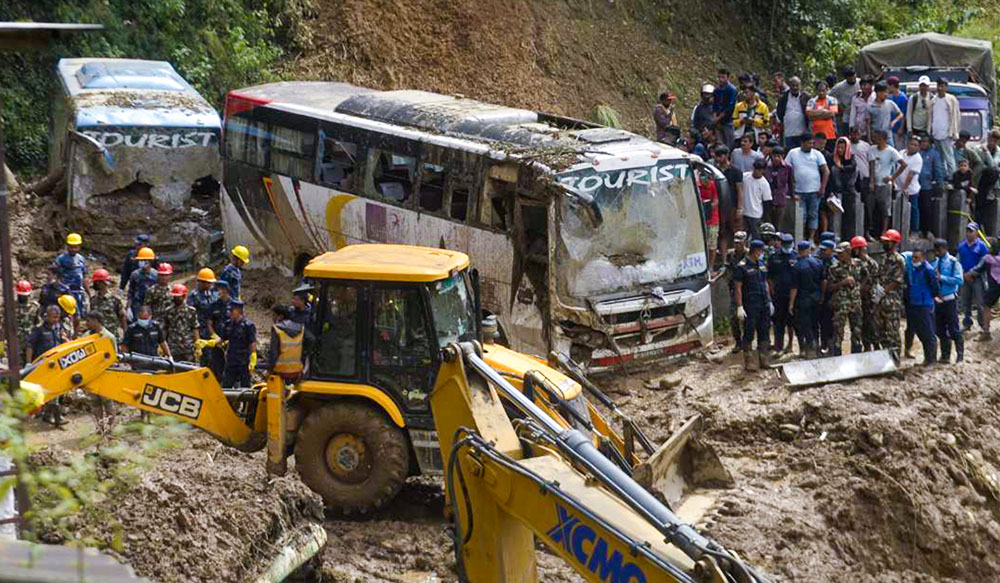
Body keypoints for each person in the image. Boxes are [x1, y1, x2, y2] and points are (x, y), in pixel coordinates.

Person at [734, 239, 772, 370]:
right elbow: (738, 287)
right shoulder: (742, 266)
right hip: (750, 304)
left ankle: (764, 358)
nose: (762, 253)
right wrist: (739, 306)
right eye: (761, 251)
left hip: (764, 303)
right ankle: (749, 360)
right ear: (756, 251)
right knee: (749, 331)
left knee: (764, 331)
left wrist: (770, 300)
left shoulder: (761, 263)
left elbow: (765, 282)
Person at [27, 305, 68, 426]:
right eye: (54, 317)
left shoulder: (58, 327)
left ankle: (48, 415)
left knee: (56, 390)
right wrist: (29, 363)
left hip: (57, 364)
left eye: (58, 317)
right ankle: (57, 417)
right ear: (47, 316)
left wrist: (65, 339)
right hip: (43, 365)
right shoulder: (39, 329)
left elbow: (61, 342)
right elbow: (30, 346)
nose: (56, 320)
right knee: (50, 390)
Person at [786, 133, 830, 242]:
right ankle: (801, 238)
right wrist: (790, 189)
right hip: (799, 191)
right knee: (802, 215)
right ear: (802, 143)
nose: (811, 145)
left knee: (813, 214)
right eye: (809, 143)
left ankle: (811, 238)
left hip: (815, 191)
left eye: (812, 143)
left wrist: (822, 188)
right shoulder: (793, 153)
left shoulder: (817, 154)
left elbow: (826, 171)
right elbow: (787, 169)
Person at [903, 248, 940, 365]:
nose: (914, 259)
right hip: (914, 304)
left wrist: (929, 297)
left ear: (923, 258)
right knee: (920, 333)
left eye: (917, 257)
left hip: (924, 305)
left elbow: (935, 287)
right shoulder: (913, 269)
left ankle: (931, 360)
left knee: (928, 333)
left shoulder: (928, 270)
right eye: (913, 257)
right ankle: (927, 359)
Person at [788, 240, 825, 359]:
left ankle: (811, 349)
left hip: (803, 299)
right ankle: (818, 347)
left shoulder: (797, 266)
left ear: (799, 251)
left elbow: (794, 287)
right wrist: (822, 295)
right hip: (816, 297)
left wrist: (791, 304)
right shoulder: (818, 263)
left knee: (806, 324)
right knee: (815, 324)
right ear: (808, 250)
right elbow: (823, 281)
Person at [84, 311, 118, 433]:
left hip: (105, 374)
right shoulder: (86, 336)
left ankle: (109, 429)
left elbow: (114, 357)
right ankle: (100, 428)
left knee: (108, 403)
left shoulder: (109, 337)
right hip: (91, 375)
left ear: (96, 321)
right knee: (95, 404)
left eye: (89, 320)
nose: (87, 323)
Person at [931, 239, 964, 363]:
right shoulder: (935, 262)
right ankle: (945, 355)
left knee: (954, 328)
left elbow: (959, 280)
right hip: (938, 300)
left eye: (938, 250)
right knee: (939, 328)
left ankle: (960, 355)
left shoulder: (953, 262)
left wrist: (942, 278)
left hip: (949, 299)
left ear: (945, 249)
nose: (937, 252)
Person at [828, 241, 863, 355]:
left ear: (848, 252)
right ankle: (837, 356)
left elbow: (866, 276)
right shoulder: (834, 268)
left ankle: (856, 355)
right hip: (841, 303)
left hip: (855, 303)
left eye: (841, 253)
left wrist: (859, 288)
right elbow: (829, 287)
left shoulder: (858, 264)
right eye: (837, 254)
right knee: (838, 332)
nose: (839, 256)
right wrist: (843, 282)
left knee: (857, 331)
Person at [874, 229, 906, 353]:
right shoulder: (882, 258)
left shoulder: (899, 260)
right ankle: (885, 358)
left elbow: (897, 280)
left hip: (892, 301)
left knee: (892, 332)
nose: (884, 244)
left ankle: (895, 360)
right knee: (880, 331)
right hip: (880, 300)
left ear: (894, 243)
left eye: (887, 242)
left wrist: (882, 292)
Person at [869, 130, 904, 238]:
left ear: (883, 139)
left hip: (885, 184)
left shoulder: (891, 151)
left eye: (877, 137)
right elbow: (871, 165)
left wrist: (892, 177)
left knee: (885, 209)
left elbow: (903, 164)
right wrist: (872, 181)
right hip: (875, 183)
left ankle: (884, 231)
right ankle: (871, 230)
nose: (875, 139)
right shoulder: (872, 149)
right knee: (870, 207)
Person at [267, 305, 313, 380]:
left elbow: (273, 352)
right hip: (297, 370)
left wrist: (269, 370)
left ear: (280, 316)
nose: (273, 318)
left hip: (280, 370)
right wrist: (303, 355)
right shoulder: (301, 328)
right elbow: (311, 340)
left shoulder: (277, 329)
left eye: (274, 315)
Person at [768, 233, 796, 354]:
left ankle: (790, 344)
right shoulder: (774, 257)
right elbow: (769, 277)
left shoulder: (796, 256)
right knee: (778, 322)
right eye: (785, 244)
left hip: (792, 296)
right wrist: (771, 290)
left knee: (791, 323)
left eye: (788, 244)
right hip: (778, 295)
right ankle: (778, 345)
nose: (786, 246)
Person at [712, 145, 743, 261]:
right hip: (719, 206)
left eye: (720, 155)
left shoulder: (735, 171)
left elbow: (739, 190)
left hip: (732, 206)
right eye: (717, 156)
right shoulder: (715, 171)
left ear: (726, 156)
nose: (718, 158)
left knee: (735, 232)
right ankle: (724, 260)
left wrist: (739, 208)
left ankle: (738, 257)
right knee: (722, 233)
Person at [219, 300, 257, 388]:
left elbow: (252, 342)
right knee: (226, 385)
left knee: (245, 386)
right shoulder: (228, 324)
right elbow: (222, 339)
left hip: (243, 361)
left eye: (232, 311)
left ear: (239, 311)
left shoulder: (248, 325)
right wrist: (208, 343)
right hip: (231, 360)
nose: (230, 313)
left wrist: (253, 357)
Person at [958, 223, 989, 331]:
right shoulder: (962, 246)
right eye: (967, 231)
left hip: (977, 278)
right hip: (965, 277)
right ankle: (967, 323)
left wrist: (972, 273)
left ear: (976, 233)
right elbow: (958, 261)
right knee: (965, 302)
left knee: (980, 303)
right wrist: (962, 273)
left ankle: (982, 325)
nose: (969, 233)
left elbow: (984, 262)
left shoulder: (982, 246)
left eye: (971, 231)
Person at [851, 236, 880, 351]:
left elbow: (871, 283)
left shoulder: (871, 264)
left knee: (872, 324)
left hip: (869, 299)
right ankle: (866, 346)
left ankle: (876, 346)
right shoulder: (856, 262)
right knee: (861, 325)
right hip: (860, 299)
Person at [892, 136, 923, 238]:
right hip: (898, 186)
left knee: (913, 209)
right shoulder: (901, 153)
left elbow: (910, 176)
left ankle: (914, 230)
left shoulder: (918, 159)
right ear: (907, 144)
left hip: (911, 189)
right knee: (897, 208)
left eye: (916, 145)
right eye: (912, 144)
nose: (913, 147)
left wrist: (904, 189)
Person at [929, 78, 961, 175]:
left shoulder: (951, 99)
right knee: (940, 157)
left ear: (946, 87)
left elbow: (956, 116)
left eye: (942, 86)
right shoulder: (933, 100)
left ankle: (952, 178)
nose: (939, 88)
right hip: (935, 132)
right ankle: (943, 177)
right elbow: (930, 117)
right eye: (938, 86)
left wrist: (955, 132)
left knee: (949, 157)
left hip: (947, 133)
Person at [916, 133, 946, 238]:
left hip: (927, 186)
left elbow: (938, 169)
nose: (923, 143)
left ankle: (927, 230)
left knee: (927, 208)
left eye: (925, 141)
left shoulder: (934, 154)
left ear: (929, 143)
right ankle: (918, 229)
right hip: (915, 185)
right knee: (917, 208)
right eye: (922, 141)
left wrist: (940, 183)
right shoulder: (917, 152)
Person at [89, 268, 127, 341]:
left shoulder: (115, 299)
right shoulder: (93, 300)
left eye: (97, 282)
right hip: (97, 336)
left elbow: (122, 317)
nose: (95, 285)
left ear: (103, 283)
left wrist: (125, 334)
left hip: (111, 336)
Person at [726, 231, 748, 352]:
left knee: (747, 318)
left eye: (739, 243)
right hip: (734, 289)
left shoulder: (749, 254)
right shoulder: (731, 254)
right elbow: (726, 268)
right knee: (733, 317)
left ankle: (746, 341)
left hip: (747, 289)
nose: (737, 245)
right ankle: (738, 342)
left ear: (744, 242)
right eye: (735, 243)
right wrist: (715, 279)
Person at [207, 280, 234, 381]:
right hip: (217, 342)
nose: (217, 292)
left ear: (225, 290)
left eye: (218, 290)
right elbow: (209, 323)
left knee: (231, 367)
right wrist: (214, 336)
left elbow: (239, 323)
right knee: (216, 365)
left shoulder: (234, 305)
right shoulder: (214, 305)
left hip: (231, 342)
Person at [54, 233, 88, 312]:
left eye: (75, 247)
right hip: (66, 291)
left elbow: (84, 276)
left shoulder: (81, 259)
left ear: (79, 246)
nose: (73, 249)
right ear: (67, 246)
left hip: (78, 291)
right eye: (71, 247)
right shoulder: (61, 259)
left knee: (79, 313)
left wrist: (87, 291)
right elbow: (54, 275)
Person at [164, 283, 198, 362]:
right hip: (173, 347)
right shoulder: (168, 311)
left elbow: (195, 328)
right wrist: (163, 345)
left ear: (184, 296)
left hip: (188, 347)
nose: (175, 299)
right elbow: (165, 328)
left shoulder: (191, 311)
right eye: (174, 297)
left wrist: (197, 344)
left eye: (177, 297)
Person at [827, 137, 856, 227]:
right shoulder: (832, 157)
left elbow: (852, 167)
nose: (840, 150)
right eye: (838, 147)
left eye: (842, 148)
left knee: (849, 217)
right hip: (836, 190)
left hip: (848, 190)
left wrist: (841, 167)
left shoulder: (851, 157)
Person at [775, 76, 810, 150]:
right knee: (790, 153)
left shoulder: (806, 96)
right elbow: (779, 113)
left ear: (800, 85)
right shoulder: (783, 98)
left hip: (803, 132)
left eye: (797, 85)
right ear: (789, 86)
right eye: (793, 85)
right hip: (788, 132)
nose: (795, 87)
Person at [867, 80, 904, 147]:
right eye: (884, 92)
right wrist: (869, 138)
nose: (886, 94)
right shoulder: (870, 106)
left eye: (886, 92)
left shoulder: (890, 103)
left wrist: (894, 122)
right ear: (878, 93)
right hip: (876, 137)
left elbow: (900, 114)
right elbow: (868, 124)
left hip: (888, 136)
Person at [741, 160, 772, 238]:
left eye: (760, 170)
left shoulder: (764, 184)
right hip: (744, 212)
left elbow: (767, 201)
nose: (757, 171)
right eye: (756, 169)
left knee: (756, 236)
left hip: (756, 214)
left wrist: (765, 218)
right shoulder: (745, 177)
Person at [764, 146, 792, 228]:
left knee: (778, 223)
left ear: (782, 156)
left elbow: (791, 182)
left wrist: (793, 194)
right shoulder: (767, 167)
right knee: (768, 223)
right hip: (768, 198)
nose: (776, 158)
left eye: (778, 156)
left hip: (780, 198)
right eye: (774, 156)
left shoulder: (787, 168)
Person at [127, 247, 158, 319]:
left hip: (152, 307)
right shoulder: (135, 274)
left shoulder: (156, 275)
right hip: (137, 306)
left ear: (150, 261)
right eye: (141, 260)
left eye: (144, 260)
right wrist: (128, 308)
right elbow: (130, 293)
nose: (142, 262)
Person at [698, 171, 720, 270]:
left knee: (712, 243)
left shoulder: (712, 186)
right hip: (700, 219)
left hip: (712, 219)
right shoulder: (697, 186)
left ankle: (711, 266)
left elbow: (716, 200)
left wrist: (708, 207)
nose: (704, 183)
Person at [830, 67, 861, 136]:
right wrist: (838, 105)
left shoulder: (861, 83)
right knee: (846, 134)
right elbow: (829, 96)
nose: (852, 78)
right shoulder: (839, 87)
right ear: (846, 78)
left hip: (860, 114)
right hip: (847, 114)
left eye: (853, 75)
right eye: (850, 77)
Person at [13, 280, 38, 364]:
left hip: (31, 343)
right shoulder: (12, 307)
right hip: (17, 343)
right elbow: (5, 326)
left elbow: (38, 324)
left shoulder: (34, 307)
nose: (23, 298)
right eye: (21, 295)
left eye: (25, 296)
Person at [712, 69, 739, 147]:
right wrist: (715, 116)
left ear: (728, 77)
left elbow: (730, 106)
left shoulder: (732, 90)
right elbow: (714, 104)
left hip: (727, 120)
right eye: (719, 77)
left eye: (723, 77)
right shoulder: (717, 90)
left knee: (729, 143)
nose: (721, 80)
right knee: (719, 142)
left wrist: (719, 117)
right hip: (718, 121)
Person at [952, 158, 979, 225]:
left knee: (971, 212)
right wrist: (969, 188)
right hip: (959, 196)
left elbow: (974, 187)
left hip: (969, 197)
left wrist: (970, 198)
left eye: (965, 166)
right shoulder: (956, 174)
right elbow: (957, 185)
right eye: (961, 166)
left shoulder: (971, 174)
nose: (963, 168)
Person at [886, 76, 908, 147]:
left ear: (892, 86)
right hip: (890, 128)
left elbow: (904, 114)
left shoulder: (903, 98)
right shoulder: (890, 97)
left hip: (898, 128)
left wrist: (901, 128)